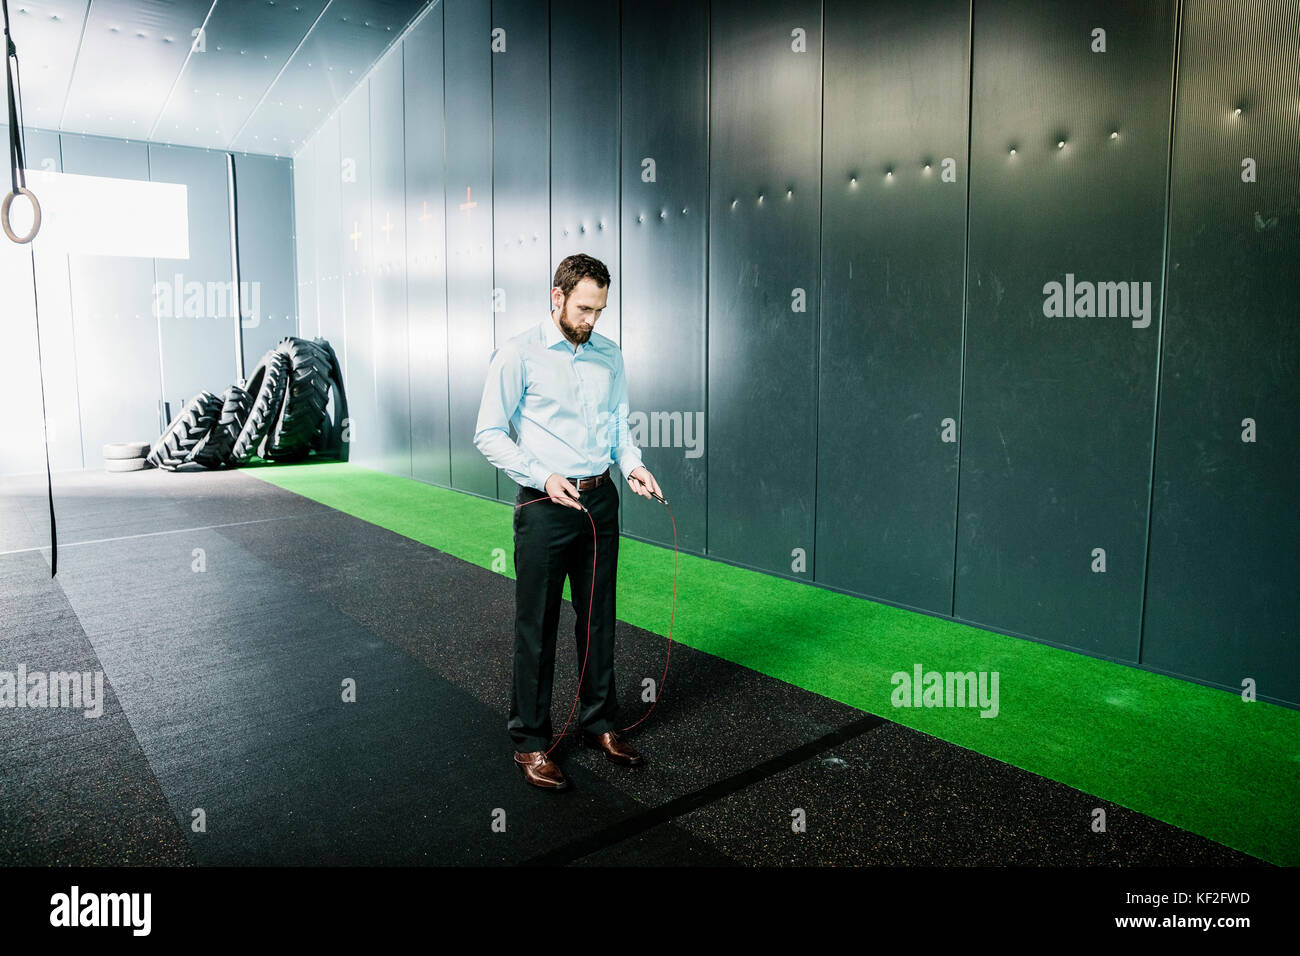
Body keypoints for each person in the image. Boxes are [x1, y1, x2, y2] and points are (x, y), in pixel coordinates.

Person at [473, 253, 664, 791]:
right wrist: (540, 475)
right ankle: (531, 742)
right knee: (537, 625)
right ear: (556, 297)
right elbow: (488, 432)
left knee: (598, 617)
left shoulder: (609, 355)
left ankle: (599, 723)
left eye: (600, 310)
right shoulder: (518, 354)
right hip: (544, 505)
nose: (592, 320)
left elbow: (618, 424)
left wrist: (633, 466)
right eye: (584, 308)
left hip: (602, 501)